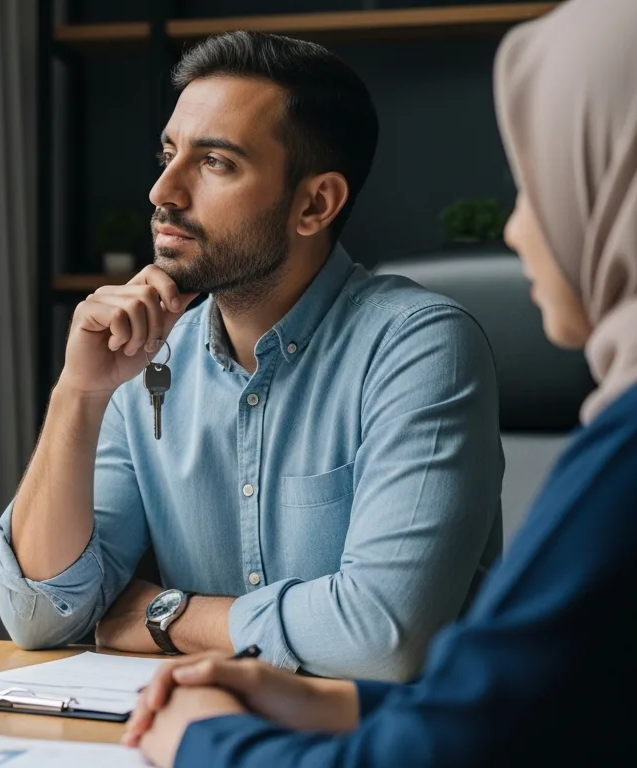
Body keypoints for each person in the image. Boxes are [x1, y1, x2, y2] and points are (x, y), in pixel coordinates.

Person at [122, 1, 637, 764]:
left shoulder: (623, 460)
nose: (514, 229)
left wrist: (201, 737)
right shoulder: (154, 349)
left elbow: (427, 734)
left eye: (546, 185)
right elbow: (543, 709)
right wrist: (336, 699)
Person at [0, 31, 503, 681]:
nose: (162, 192)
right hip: (209, 733)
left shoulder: (419, 347)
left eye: (215, 163)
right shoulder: (149, 357)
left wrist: (167, 616)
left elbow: (382, 636)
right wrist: (79, 393)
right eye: (169, 154)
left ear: (315, 204)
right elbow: (40, 616)